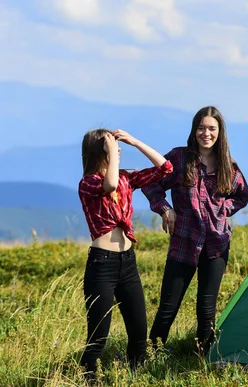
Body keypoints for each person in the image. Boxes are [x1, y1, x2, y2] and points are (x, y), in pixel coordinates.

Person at [142, 106, 248, 357]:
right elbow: (151, 183)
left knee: (207, 307)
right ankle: (150, 356)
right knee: (168, 306)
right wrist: (165, 209)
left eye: (212, 128)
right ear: (194, 130)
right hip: (184, 241)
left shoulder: (228, 166)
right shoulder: (180, 159)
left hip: (217, 243)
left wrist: (225, 208)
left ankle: (202, 359)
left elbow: (242, 195)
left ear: (219, 132)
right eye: (201, 127)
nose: (206, 133)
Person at [78, 128, 173, 380]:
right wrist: (113, 153)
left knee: (139, 334)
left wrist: (134, 141)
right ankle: (88, 380)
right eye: (111, 146)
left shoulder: (126, 179)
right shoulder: (88, 183)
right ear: (100, 152)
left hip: (127, 263)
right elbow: (108, 185)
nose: (117, 149)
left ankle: (136, 379)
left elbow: (165, 168)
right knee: (98, 337)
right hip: (102, 266)